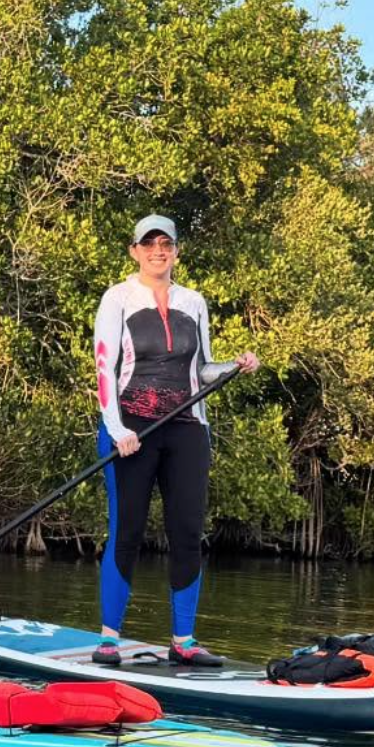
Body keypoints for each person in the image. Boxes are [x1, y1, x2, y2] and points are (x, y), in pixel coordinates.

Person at [92, 214, 259, 667]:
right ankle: (109, 638)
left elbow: (201, 370)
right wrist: (118, 429)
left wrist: (234, 366)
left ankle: (183, 640)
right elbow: (105, 368)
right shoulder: (117, 299)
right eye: (149, 244)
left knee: (186, 532)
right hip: (131, 429)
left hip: (187, 430)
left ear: (176, 251)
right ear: (135, 251)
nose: (158, 251)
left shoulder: (195, 302)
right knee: (126, 532)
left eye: (166, 244)